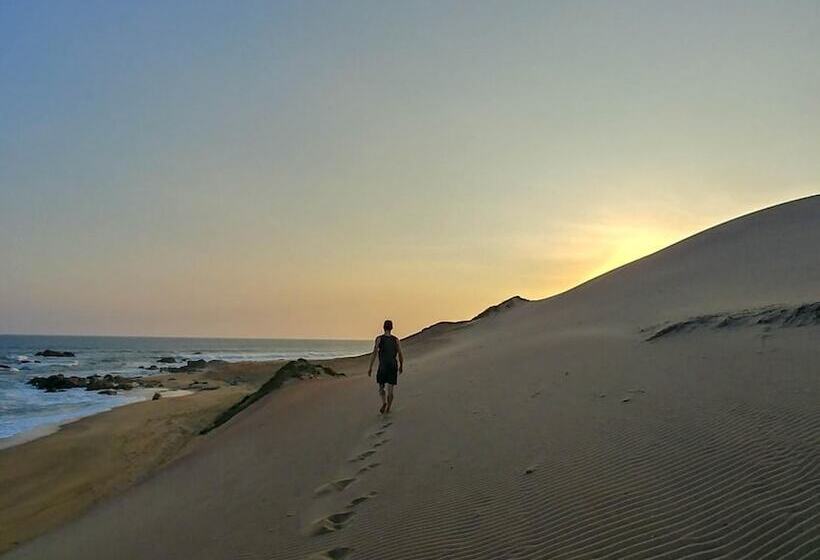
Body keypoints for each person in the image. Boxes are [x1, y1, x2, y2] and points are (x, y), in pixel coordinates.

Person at [368, 319, 403, 414]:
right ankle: (388, 408)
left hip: (383, 365)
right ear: (392, 328)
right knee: (390, 389)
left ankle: (384, 402)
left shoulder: (379, 339)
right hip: (393, 365)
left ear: (383, 327)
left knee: (381, 387)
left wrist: (370, 367)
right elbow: (400, 353)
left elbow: (374, 352)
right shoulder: (396, 340)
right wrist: (401, 365)